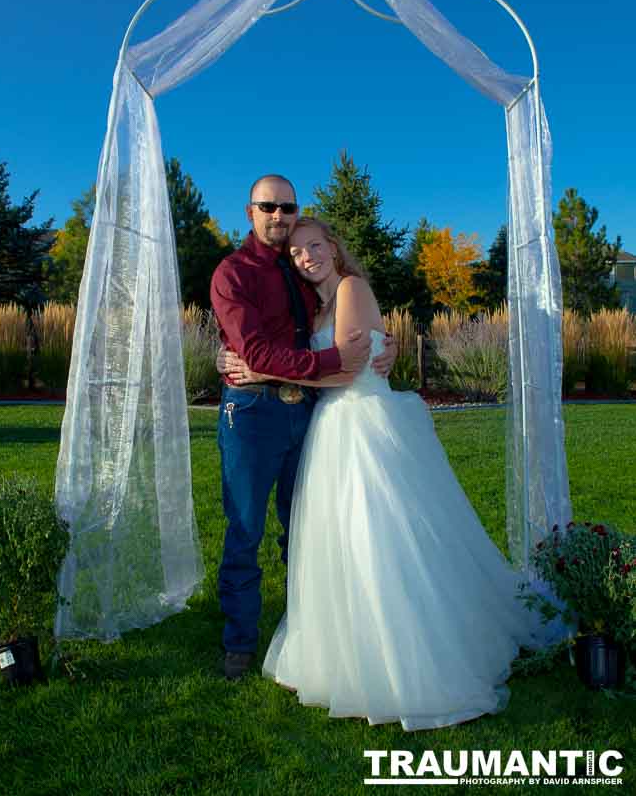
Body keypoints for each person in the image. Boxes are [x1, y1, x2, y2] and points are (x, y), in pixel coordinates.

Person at [221, 216, 547, 730]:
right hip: (329, 426)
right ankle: (348, 645)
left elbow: (348, 369)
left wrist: (259, 370)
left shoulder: (351, 287)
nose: (307, 257)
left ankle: (408, 655)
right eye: (298, 253)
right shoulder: (318, 304)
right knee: (341, 541)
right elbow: (337, 355)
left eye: (315, 246)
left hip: (362, 425)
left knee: (380, 538)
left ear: (334, 245)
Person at [210, 177, 397, 680]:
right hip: (252, 413)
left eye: (287, 206)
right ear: (250, 211)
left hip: (310, 411)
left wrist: (384, 343)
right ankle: (241, 642)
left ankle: (309, 627)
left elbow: (347, 308)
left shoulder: (300, 270)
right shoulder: (233, 274)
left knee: (307, 527)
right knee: (246, 528)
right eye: (268, 206)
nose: (278, 214)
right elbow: (256, 355)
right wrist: (339, 359)